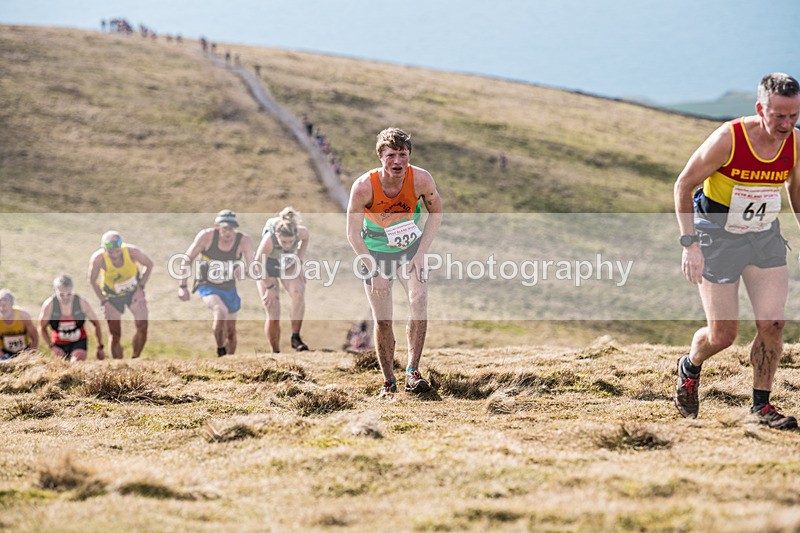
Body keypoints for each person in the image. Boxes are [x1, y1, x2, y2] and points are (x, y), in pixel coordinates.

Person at [673, 73, 800, 430]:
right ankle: (690, 365)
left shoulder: (795, 144)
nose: (787, 124)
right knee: (723, 336)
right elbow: (683, 185)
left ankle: (761, 406)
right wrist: (690, 244)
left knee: (773, 323)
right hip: (718, 238)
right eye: (779, 116)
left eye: (794, 116)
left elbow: (796, 191)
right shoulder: (730, 138)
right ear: (761, 109)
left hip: (764, 238)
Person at [346, 127, 443, 397]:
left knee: (419, 300)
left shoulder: (421, 179)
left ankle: (413, 371)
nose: (398, 161)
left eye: (403, 154)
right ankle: (389, 381)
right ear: (380, 157)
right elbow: (352, 234)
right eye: (391, 155)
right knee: (383, 320)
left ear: (409, 155)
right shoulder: (364, 186)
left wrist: (421, 253)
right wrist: (374, 270)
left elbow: (436, 213)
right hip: (374, 252)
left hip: (410, 248)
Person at [178, 210, 254, 356]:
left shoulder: (243, 241)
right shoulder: (206, 237)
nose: (228, 233)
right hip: (207, 285)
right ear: (217, 226)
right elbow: (187, 260)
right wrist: (183, 286)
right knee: (220, 311)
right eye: (225, 228)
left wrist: (243, 270)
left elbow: (253, 269)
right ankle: (220, 350)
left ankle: (231, 361)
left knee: (231, 331)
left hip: (229, 287)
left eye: (232, 229)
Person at [88, 231, 153, 359]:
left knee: (142, 326)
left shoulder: (132, 252)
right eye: (110, 252)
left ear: (121, 247)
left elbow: (149, 264)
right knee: (115, 334)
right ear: (104, 249)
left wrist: (140, 288)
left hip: (133, 292)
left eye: (117, 251)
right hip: (112, 297)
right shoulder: (98, 259)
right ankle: (119, 365)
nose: (114, 255)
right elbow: (92, 280)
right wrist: (104, 302)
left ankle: (135, 358)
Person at [254, 207, 310, 353]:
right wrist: (270, 287)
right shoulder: (269, 240)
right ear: (277, 235)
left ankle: (295, 337)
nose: (287, 245)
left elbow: (306, 239)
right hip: (267, 266)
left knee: (298, 293)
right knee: (273, 308)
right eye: (283, 242)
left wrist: (298, 260)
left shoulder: (300, 232)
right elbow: (258, 263)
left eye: (290, 242)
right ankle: (275, 351)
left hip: (287, 262)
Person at [39, 274, 105, 362]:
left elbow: (96, 323)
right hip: (58, 344)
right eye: (61, 295)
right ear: (55, 290)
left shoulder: (81, 303)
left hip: (79, 341)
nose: (65, 298)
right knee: (62, 370)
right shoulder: (49, 305)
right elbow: (42, 328)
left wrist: (99, 346)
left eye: (69, 294)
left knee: (76, 363)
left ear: (72, 289)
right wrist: (52, 347)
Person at [0, 289, 38, 360]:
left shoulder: (23, 316)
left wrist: (29, 354)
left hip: (24, 352)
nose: (2, 308)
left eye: (4, 305)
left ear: (11, 304)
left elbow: (34, 337)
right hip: (4, 354)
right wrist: (4, 358)